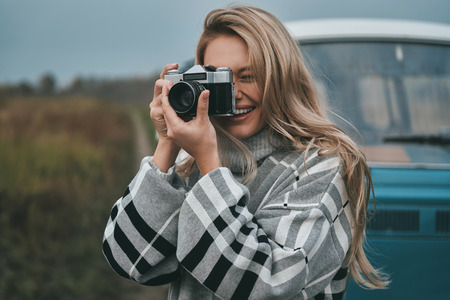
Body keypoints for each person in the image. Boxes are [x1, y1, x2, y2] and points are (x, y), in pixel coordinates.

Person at [102, 5, 389, 299]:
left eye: (248, 76)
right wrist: (167, 142)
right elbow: (130, 258)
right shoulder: (195, 158)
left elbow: (266, 284)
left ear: (281, 78)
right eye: (219, 78)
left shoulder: (319, 166)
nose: (234, 92)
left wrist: (209, 165)